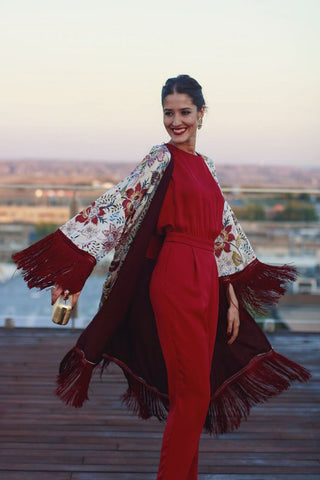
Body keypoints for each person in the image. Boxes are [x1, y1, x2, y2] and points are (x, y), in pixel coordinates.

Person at [13, 74, 310, 480]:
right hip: (174, 278)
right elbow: (116, 206)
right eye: (168, 113)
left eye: (184, 112)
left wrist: (232, 298)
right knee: (192, 396)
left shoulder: (206, 166)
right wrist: (74, 268)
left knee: (194, 396)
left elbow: (224, 233)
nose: (176, 122)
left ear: (202, 114)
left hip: (207, 279)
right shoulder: (161, 158)